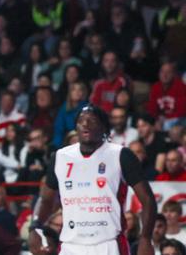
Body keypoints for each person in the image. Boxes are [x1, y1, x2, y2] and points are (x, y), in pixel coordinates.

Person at [30, 104, 158, 255]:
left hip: (109, 243)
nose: (85, 124)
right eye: (81, 121)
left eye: (92, 120)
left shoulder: (121, 155)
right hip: (71, 245)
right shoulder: (60, 157)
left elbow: (148, 199)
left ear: (104, 127)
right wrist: (35, 226)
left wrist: (145, 238)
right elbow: (46, 200)